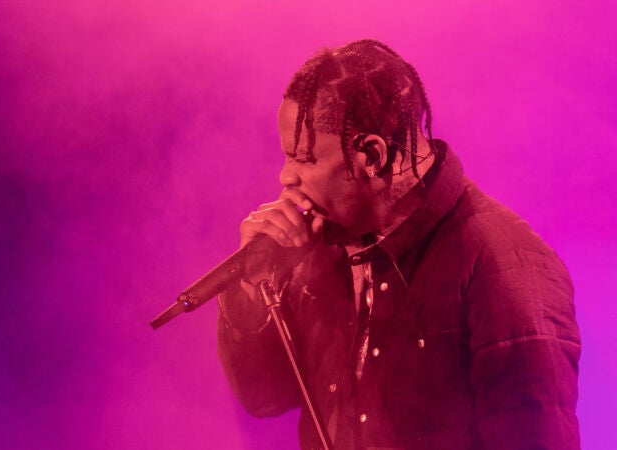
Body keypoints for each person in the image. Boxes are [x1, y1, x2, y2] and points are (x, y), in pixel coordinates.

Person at [216, 40, 581, 450]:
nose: (286, 177)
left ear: (372, 155)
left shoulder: (503, 265)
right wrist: (252, 288)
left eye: (303, 158)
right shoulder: (326, 247)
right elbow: (264, 397)